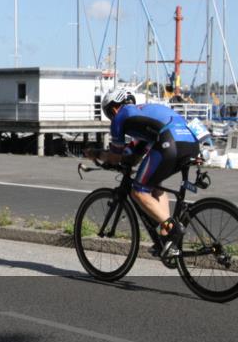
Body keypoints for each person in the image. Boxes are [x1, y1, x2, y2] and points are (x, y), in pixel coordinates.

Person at [85, 87, 201, 257]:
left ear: (114, 107)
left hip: (170, 142)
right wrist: (126, 160)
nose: (111, 117)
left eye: (109, 113)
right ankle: (166, 237)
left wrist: (96, 154)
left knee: (138, 191)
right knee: (154, 185)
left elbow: (116, 157)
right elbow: (135, 155)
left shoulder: (121, 116)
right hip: (191, 141)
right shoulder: (143, 116)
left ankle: (173, 228)